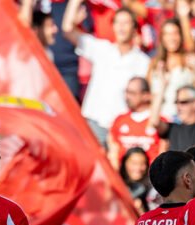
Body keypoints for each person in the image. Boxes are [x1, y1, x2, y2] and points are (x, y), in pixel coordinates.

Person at [62, 3, 151, 145]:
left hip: (122, 127)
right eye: (117, 22)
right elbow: (67, 30)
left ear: (135, 28)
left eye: (126, 22)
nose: (121, 27)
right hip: (94, 123)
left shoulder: (143, 61)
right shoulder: (102, 48)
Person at [148, 19, 195, 121]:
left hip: (184, 120)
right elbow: (150, 96)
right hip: (161, 119)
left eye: (175, 33)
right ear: (162, 37)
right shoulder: (154, 63)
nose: (171, 38)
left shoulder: (189, 60)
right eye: (167, 34)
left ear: (181, 36)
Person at [108, 78, 164, 168]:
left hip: (149, 177)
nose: (127, 97)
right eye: (126, 92)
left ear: (146, 95)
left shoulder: (161, 121)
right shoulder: (119, 120)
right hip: (124, 178)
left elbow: (163, 151)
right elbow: (113, 153)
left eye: (132, 93)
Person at [150, 80, 195, 152]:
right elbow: (155, 121)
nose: (178, 107)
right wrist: (163, 87)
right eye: (176, 102)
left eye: (183, 102)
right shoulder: (172, 128)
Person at [120, 148, 157, 213]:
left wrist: (141, 210)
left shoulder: (152, 189)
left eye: (142, 163)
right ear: (124, 163)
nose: (138, 168)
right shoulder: (117, 182)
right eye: (134, 163)